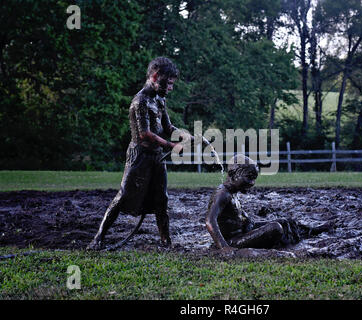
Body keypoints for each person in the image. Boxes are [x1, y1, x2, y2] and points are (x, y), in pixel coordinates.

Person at [87, 57, 190, 250]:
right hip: (139, 157)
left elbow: (167, 125)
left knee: (162, 199)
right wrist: (171, 145)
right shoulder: (140, 101)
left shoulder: (160, 99)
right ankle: (98, 238)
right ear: (155, 76)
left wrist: (183, 134)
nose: (170, 88)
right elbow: (145, 134)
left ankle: (166, 242)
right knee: (123, 196)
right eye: (168, 83)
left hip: (157, 158)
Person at [205, 154, 301, 250]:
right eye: (249, 177)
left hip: (243, 232)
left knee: (284, 222)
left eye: (254, 178)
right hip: (233, 241)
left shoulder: (232, 192)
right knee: (275, 228)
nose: (252, 183)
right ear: (232, 174)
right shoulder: (222, 194)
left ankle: (303, 238)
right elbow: (210, 221)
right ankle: (284, 247)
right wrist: (224, 247)